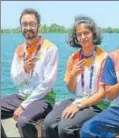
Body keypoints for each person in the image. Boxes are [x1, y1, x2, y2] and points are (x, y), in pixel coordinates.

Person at [44, 15, 109, 138]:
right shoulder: (73, 58)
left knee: (66, 127)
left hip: (96, 104)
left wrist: (77, 106)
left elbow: (102, 94)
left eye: (86, 33)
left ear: (94, 34)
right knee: (48, 123)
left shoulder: (105, 58)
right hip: (77, 99)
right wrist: (73, 74)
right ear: (76, 37)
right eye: (79, 34)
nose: (83, 37)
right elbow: (71, 89)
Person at [1, 8, 58, 138]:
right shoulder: (20, 49)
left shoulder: (50, 48)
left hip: (43, 98)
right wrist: (24, 70)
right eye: (24, 24)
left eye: (32, 24)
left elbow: (47, 84)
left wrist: (23, 106)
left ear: (38, 26)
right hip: (22, 95)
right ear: (21, 27)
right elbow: (15, 80)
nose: (28, 28)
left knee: (23, 121)